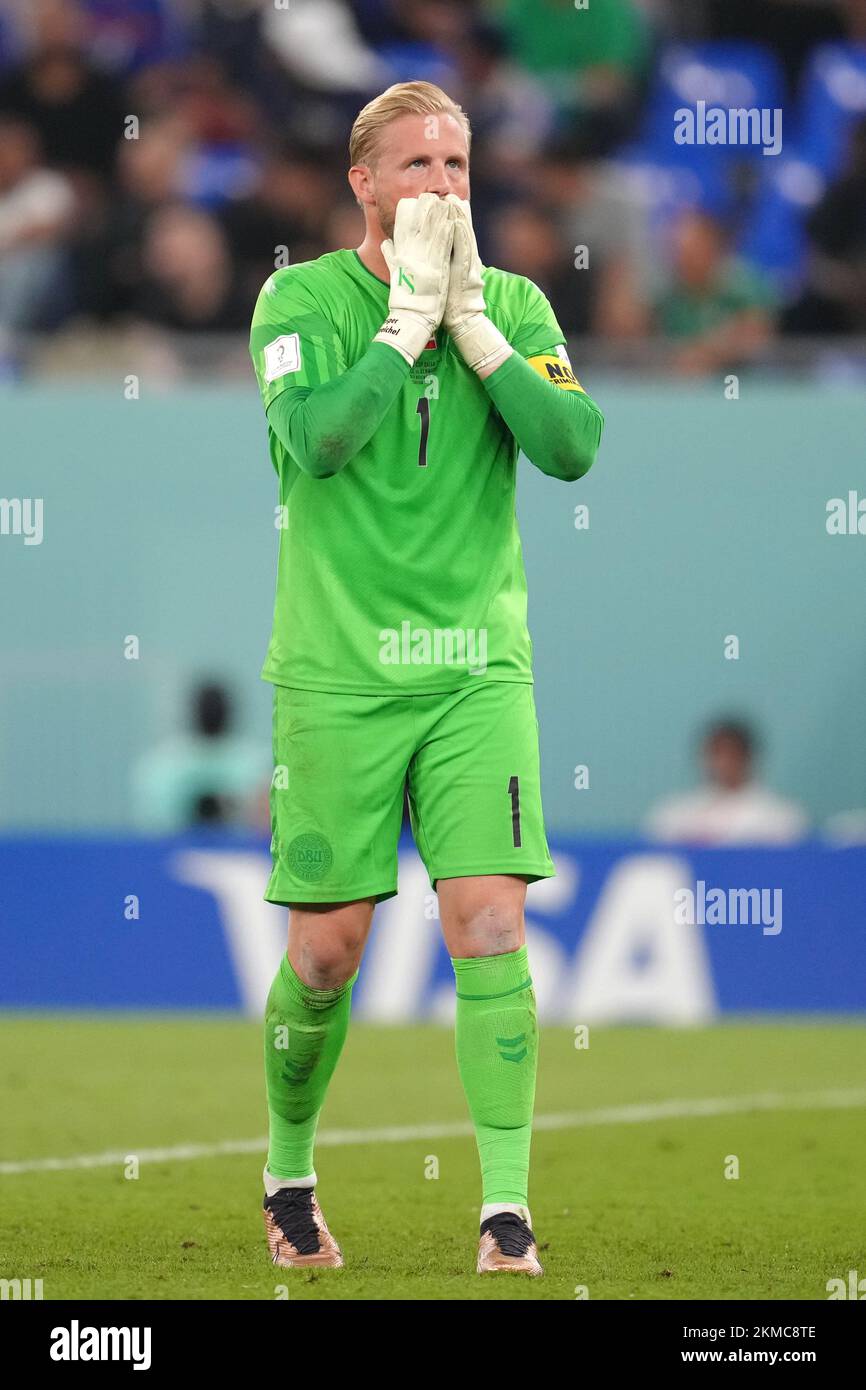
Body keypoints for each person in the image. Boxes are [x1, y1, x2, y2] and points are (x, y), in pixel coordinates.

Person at [248, 80, 604, 1277]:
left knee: (491, 919)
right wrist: (404, 324)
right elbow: (321, 441)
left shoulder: (516, 303)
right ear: (362, 182)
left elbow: (571, 446)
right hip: (338, 677)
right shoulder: (299, 299)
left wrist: (474, 331)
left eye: (456, 165)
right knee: (328, 952)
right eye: (416, 166)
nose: (442, 187)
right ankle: (287, 1173)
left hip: (472, 674)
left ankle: (504, 1210)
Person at [645, 719, 808, 845]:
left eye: (732, 754)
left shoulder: (780, 816)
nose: (723, 763)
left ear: (748, 757)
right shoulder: (675, 813)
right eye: (717, 754)